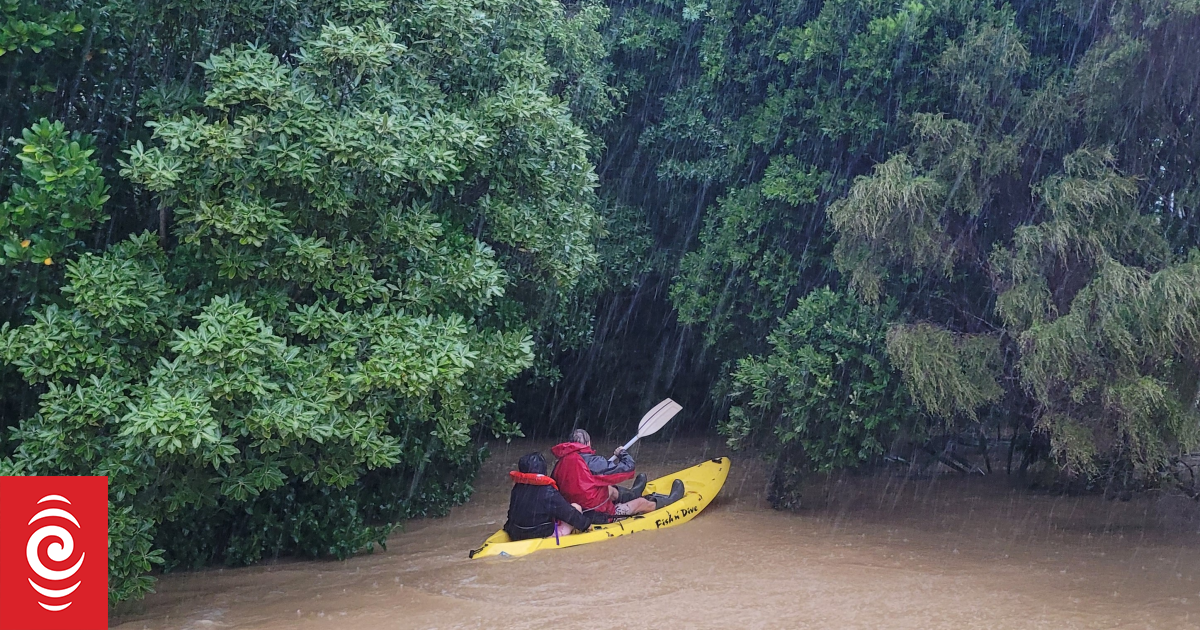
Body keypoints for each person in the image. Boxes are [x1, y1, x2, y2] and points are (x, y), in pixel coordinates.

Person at [551, 428, 685, 519]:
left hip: (577, 511)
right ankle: (669, 501)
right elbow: (628, 468)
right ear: (588, 443)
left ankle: (633, 494)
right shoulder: (593, 463)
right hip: (598, 515)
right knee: (641, 503)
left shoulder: (559, 464)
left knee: (609, 489)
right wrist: (622, 453)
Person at [503, 452, 595, 541]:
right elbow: (568, 512)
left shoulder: (517, 488)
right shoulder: (547, 490)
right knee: (576, 507)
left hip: (516, 533)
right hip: (539, 534)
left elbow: (511, 513)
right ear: (542, 469)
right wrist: (586, 525)